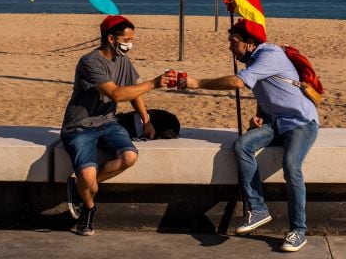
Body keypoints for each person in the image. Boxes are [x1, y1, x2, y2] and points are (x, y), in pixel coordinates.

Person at [179, 19, 319, 253]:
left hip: (300, 122)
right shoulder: (255, 59)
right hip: (275, 123)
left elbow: (237, 82)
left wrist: (197, 83)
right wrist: (260, 116)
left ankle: (298, 231)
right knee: (243, 144)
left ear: (250, 43)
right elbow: (269, 92)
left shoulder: (269, 54)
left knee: (291, 165)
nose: (230, 47)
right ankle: (258, 209)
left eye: (234, 42)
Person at [60, 15, 176, 236]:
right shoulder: (89, 62)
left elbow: (134, 91)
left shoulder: (123, 60)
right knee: (86, 176)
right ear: (111, 38)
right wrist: (153, 82)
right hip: (80, 127)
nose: (130, 44)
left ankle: (83, 189)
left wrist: (146, 120)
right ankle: (89, 208)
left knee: (129, 156)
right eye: (127, 39)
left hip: (107, 123)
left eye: (133, 39)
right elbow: (116, 93)